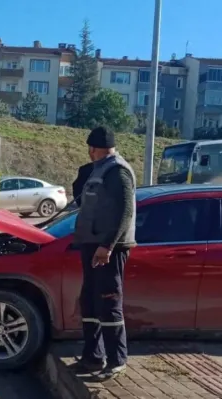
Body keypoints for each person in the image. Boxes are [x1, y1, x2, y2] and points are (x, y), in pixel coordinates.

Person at [72, 126, 136, 381]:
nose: (89, 153)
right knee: (89, 302)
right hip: (92, 245)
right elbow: (82, 202)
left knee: (108, 303)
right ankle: (93, 357)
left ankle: (116, 359)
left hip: (108, 249)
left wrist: (107, 245)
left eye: (91, 148)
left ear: (97, 148)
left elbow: (125, 211)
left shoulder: (117, 170)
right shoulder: (99, 169)